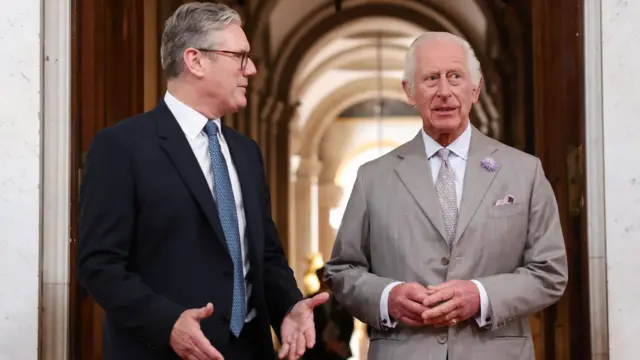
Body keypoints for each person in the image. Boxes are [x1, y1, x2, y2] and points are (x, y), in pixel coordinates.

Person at [76, 3, 327, 360]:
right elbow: (98, 265)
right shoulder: (122, 147)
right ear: (195, 61)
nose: (251, 69)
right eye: (240, 56)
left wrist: (289, 306)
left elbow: (266, 255)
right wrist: (167, 323)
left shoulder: (246, 152)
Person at [323, 31, 568, 360]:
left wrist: (481, 295)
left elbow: (550, 271)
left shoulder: (524, 172)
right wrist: (387, 297)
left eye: (455, 76)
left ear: (475, 88)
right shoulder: (373, 178)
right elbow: (342, 270)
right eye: (430, 78)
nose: (444, 92)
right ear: (409, 91)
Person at [303, 266, 354, 360]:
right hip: (315, 352)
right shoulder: (310, 300)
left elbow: (348, 324)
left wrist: (342, 343)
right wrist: (326, 344)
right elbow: (306, 327)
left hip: (338, 353)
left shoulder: (341, 300)